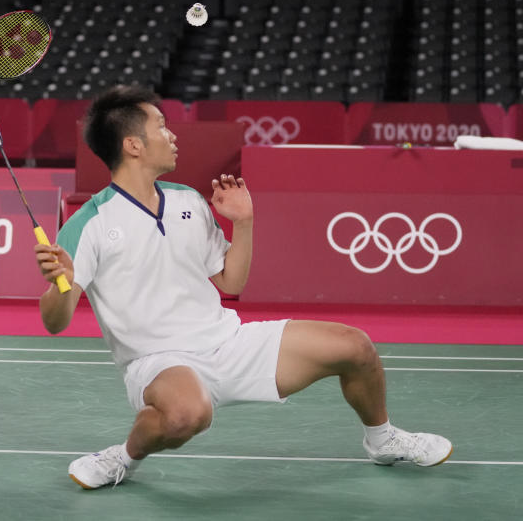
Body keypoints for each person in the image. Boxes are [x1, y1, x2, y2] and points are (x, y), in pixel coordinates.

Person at [34, 85, 451, 489]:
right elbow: (55, 322)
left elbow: (231, 281)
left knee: (354, 347)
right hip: (159, 361)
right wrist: (60, 282)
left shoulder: (188, 201)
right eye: (161, 126)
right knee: (186, 415)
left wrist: (244, 222)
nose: (172, 134)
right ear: (133, 145)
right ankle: (121, 457)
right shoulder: (89, 223)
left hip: (229, 342)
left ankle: (381, 440)